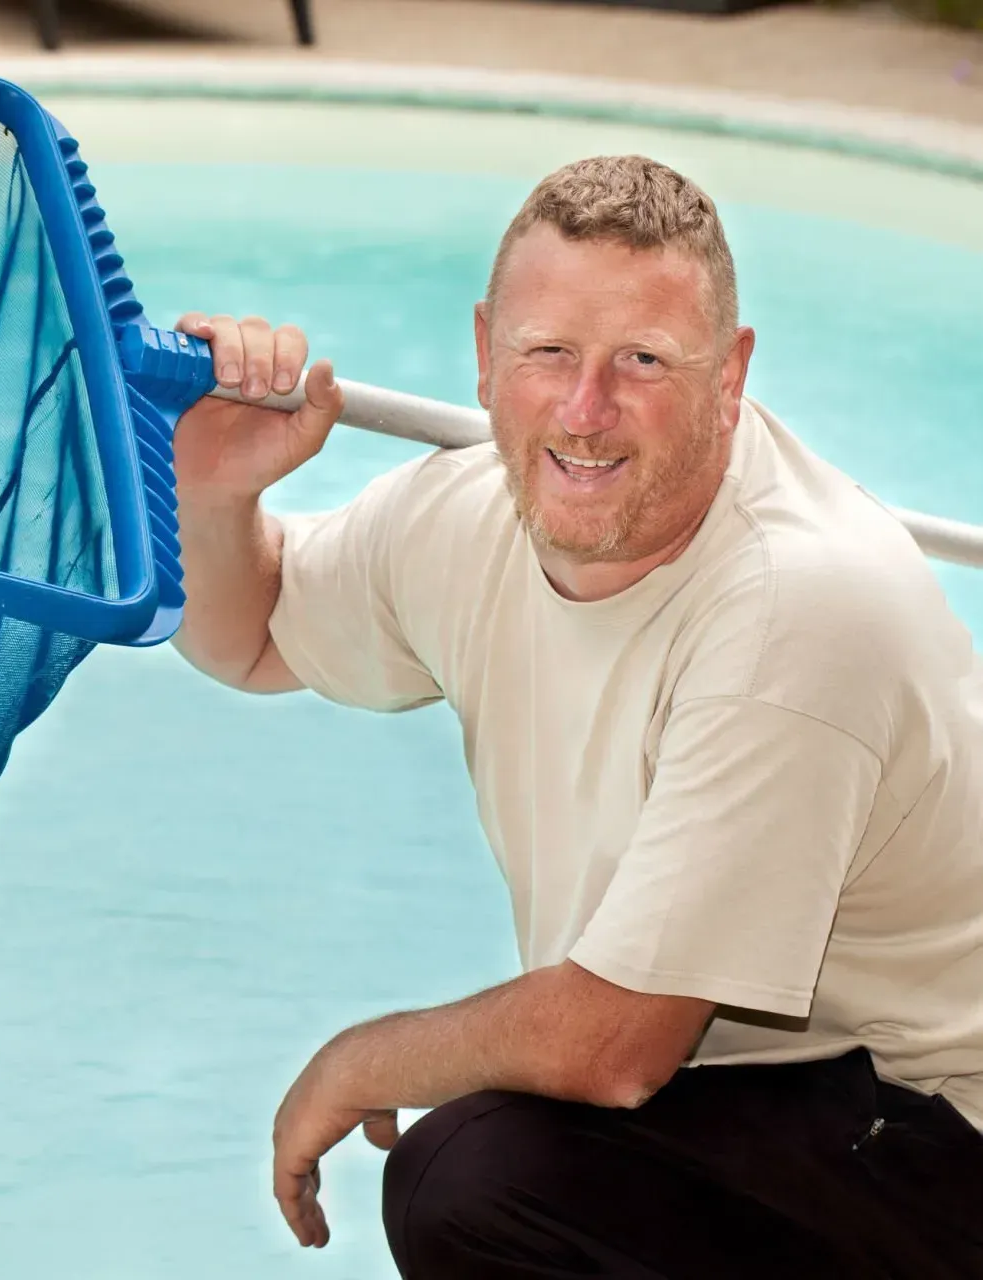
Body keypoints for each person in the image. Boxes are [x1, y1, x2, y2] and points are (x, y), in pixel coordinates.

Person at [169, 155, 983, 1278]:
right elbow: (247, 633)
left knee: (481, 1180)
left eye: (642, 361)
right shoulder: (473, 514)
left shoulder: (797, 610)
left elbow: (615, 1045)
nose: (584, 410)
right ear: (483, 353)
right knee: (492, 1165)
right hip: (757, 1092)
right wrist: (216, 496)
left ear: (731, 375)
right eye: (547, 352)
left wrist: (361, 1059)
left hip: (937, 1126)